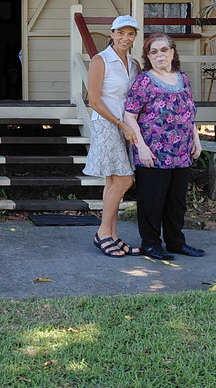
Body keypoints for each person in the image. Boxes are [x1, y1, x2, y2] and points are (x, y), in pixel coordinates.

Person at [122, 33, 205, 261]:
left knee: (176, 202)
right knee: (152, 201)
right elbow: (130, 116)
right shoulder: (144, 81)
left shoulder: (183, 78)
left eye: (164, 49)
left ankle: (176, 242)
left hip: (182, 151)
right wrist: (141, 147)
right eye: (154, 51)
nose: (160, 55)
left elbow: (189, 112)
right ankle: (150, 244)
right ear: (148, 57)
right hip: (153, 152)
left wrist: (196, 138)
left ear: (173, 52)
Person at [84, 14, 141, 257]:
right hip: (107, 125)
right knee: (124, 181)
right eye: (120, 33)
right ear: (112, 34)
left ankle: (113, 235)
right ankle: (102, 233)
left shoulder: (134, 64)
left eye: (130, 34)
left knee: (113, 182)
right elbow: (94, 101)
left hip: (125, 125)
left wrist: (130, 125)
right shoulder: (100, 60)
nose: (125, 38)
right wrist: (120, 124)